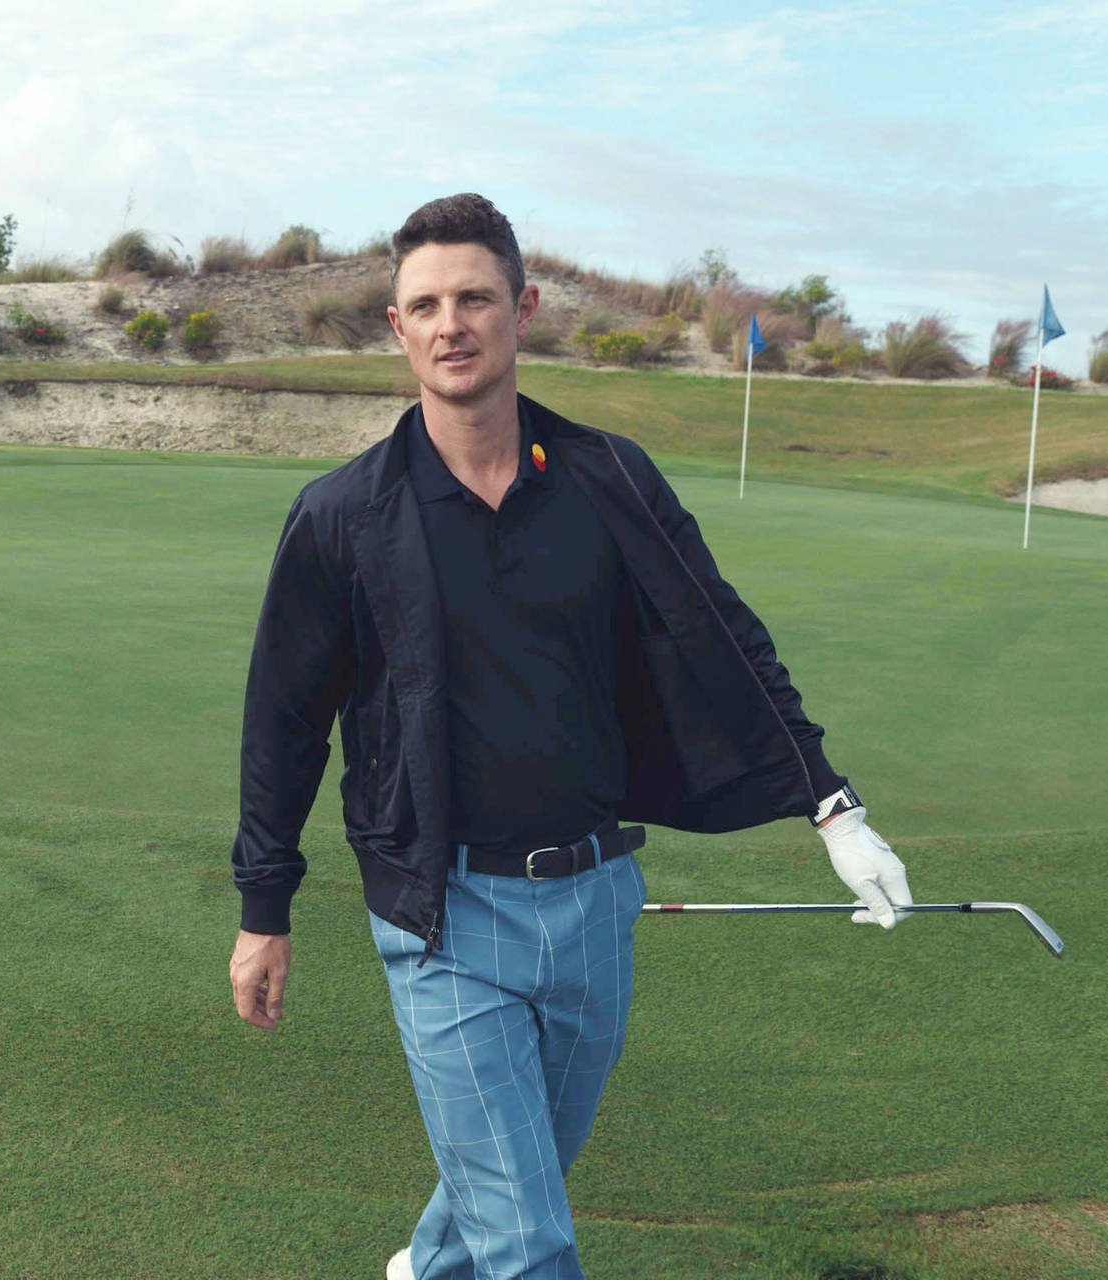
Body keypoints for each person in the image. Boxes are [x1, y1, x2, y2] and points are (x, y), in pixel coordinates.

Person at [225, 193, 912, 1280]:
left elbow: (723, 635)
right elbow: (284, 723)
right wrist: (265, 908)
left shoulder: (610, 478)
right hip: (444, 914)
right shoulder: (342, 516)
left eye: (475, 297)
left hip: (596, 905)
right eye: (426, 304)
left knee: (514, 1175)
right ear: (398, 329)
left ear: (523, 309)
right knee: (531, 1241)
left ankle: (422, 1270)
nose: (451, 322)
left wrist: (836, 809)